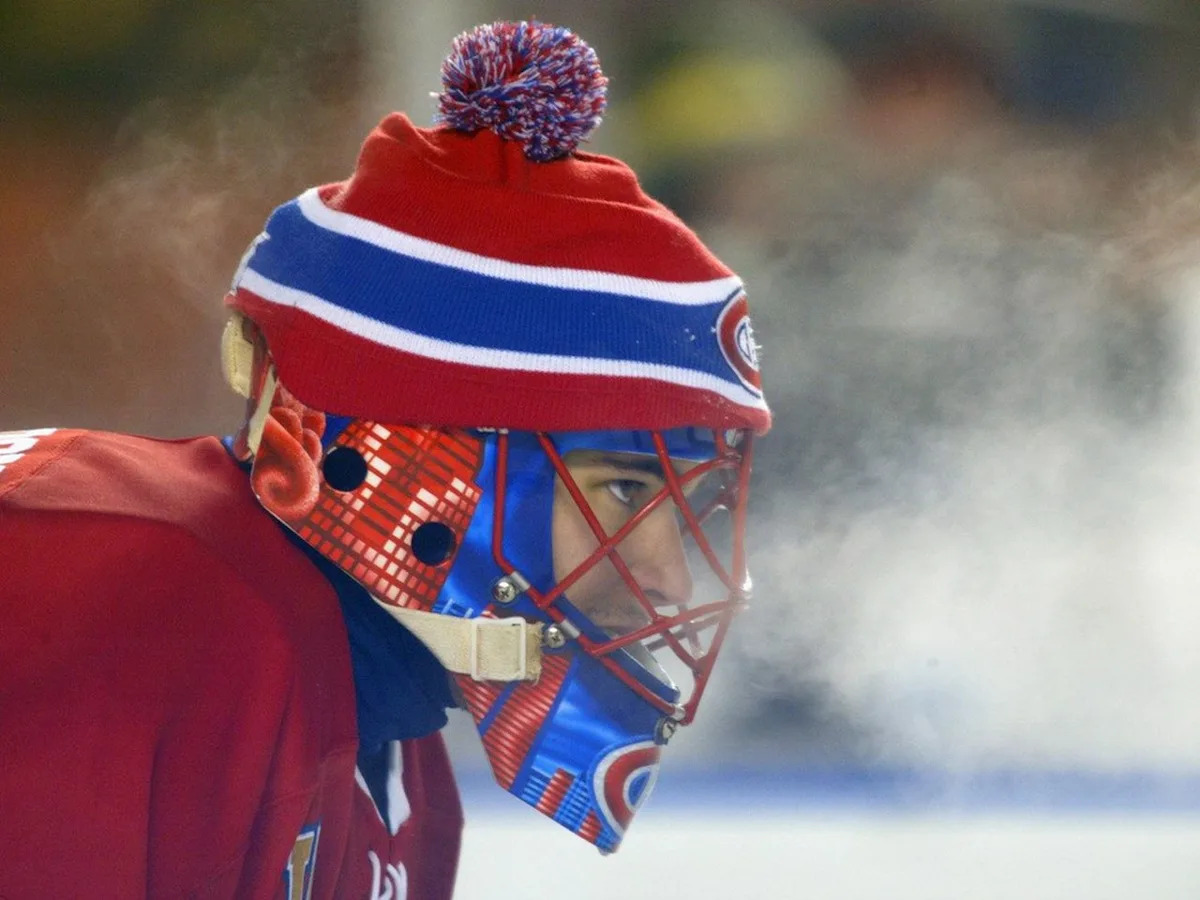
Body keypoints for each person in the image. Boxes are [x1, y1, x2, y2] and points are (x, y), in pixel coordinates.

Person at [0, 20, 770, 899]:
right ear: (421, 465)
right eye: (624, 489)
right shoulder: (117, 605)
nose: (667, 576)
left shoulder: (398, 744)